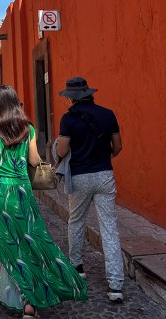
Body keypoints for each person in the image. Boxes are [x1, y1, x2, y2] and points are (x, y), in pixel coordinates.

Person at [0, 85, 87, 318]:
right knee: (31, 237)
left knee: (0, 237)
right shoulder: (28, 129)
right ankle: (33, 298)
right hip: (21, 189)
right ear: (16, 104)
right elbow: (35, 160)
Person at [56, 77, 124, 303]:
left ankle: (77, 267)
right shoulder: (108, 114)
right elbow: (118, 146)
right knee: (109, 227)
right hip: (105, 174)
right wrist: (103, 158)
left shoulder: (68, 119)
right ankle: (116, 285)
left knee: (76, 221)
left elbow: (63, 150)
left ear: (71, 97)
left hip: (80, 175)